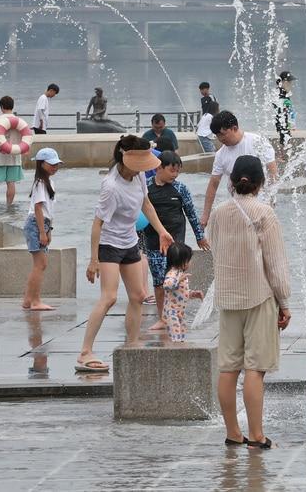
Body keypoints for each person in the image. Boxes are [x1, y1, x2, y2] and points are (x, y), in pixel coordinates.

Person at [210, 155, 292, 450]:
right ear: (260, 183)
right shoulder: (263, 213)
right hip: (258, 297)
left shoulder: (219, 213)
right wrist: (284, 302)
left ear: (231, 182)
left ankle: (233, 432)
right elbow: (276, 263)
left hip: (228, 297)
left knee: (228, 368)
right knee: (255, 368)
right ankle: (257, 435)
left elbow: (216, 252)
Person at [75, 136, 172, 374]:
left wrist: (162, 232)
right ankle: (84, 352)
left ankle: (132, 342)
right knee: (108, 298)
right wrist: (93, 260)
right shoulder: (111, 185)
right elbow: (97, 224)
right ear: (126, 157)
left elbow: (146, 204)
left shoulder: (138, 175)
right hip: (109, 245)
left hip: (129, 241)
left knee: (138, 295)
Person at [145, 150, 207, 332]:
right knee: (158, 282)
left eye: (178, 171)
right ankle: (163, 318)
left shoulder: (180, 189)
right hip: (153, 242)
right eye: (172, 170)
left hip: (176, 244)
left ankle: (178, 315)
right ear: (158, 167)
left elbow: (191, 214)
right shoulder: (146, 188)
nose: (175, 175)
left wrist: (199, 236)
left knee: (176, 280)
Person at [202, 111, 277, 226]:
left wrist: (270, 202)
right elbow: (213, 183)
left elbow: (272, 172)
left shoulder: (257, 142)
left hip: (260, 202)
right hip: (237, 205)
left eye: (223, 134)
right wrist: (205, 215)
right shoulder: (220, 154)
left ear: (234, 128)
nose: (220, 138)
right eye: (217, 135)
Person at [22, 148, 65, 312]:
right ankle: (35, 301)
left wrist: (48, 230)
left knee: (39, 264)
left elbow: (48, 210)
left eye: (57, 164)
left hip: (42, 224)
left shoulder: (49, 182)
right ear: (41, 164)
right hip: (36, 223)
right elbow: (38, 208)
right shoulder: (40, 182)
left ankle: (28, 299)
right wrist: (41, 231)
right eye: (52, 164)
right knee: (40, 264)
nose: (55, 167)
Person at [160, 241, 205, 342]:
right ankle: (175, 352)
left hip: (179, 313)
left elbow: (181, 293)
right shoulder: (172, 274)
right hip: (171, 313)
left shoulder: (180, 273)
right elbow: (167, 285)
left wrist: (193, 294)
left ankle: (180, 350)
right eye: (189, 260)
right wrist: (178, 280)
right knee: (176, 336)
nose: (190, 263)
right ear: (183, 262)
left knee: (181, 335)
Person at [0, 96, 24, 207]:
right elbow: (25, 139)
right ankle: (9, 206)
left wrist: (1, 144)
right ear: (13, 106)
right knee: (11, 182)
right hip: (14, 157)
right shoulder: (19, 121)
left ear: (2, 107)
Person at [272, 72, 295, 159]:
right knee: (284, 135)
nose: (291, 85)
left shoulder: (283, 93)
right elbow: (279, 107)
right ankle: (282, 155)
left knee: (285, 135)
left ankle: (283, 154)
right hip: (282, 119)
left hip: (284, 118)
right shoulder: (281, 94)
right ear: (284, 82)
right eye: (290, 82)